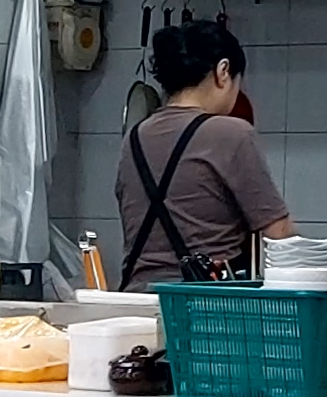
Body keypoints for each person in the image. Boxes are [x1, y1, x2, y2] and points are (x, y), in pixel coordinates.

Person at [114, 19, 298, 286]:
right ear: (223, 71)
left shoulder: (133, 139)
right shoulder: (231, 132)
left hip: (135, 299)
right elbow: (280, 235)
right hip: (206, 302)